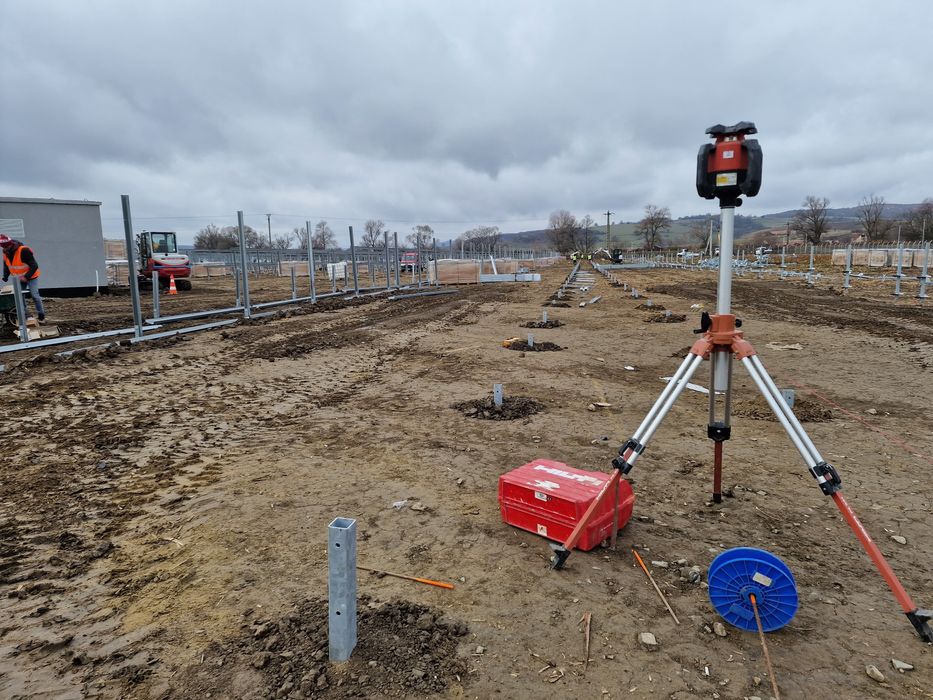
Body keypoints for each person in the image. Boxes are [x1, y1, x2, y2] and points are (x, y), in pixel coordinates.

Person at [1, 234, 45, 322]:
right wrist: (5, 276)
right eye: (3, 247)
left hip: (31, 276)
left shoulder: (23, 250)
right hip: (18, 278)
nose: (5, 249)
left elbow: (34, 265)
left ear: (10, 244)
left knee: (35, 296)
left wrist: (26, 276)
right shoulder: (6, 253)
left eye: (6, 247)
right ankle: (25, 316)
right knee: (19, 298)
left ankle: (41, 316)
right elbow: (6, 266)